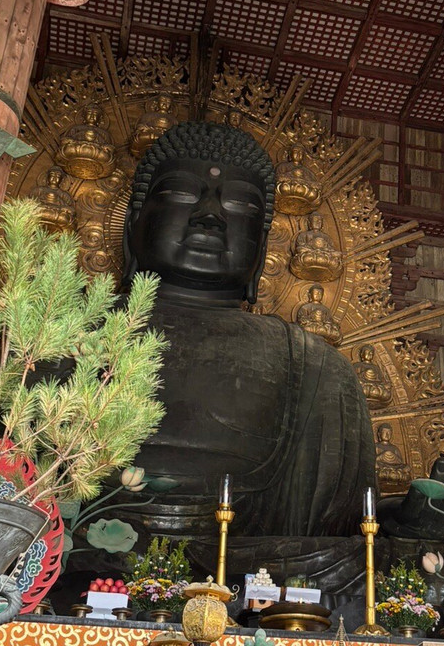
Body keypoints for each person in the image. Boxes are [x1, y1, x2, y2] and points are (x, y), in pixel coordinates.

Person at [123, 121, 374, 537]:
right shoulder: (59, 335)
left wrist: (416, 518)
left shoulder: (316, 368)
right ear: (134, 222)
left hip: (251, 574)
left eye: (242, 207)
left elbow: (342, 529)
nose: (210, 216)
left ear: (261, 245)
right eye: (181, 193)